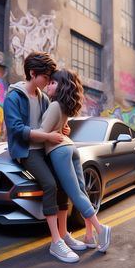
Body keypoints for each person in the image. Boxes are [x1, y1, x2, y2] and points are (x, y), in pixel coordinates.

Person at [3, 52, 87, 263]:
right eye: (46, 77)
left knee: (62, 184)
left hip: (44, 148)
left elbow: (49, 120)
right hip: (27, 151)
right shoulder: (14, 96)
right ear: (33, 73)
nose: (50, 81)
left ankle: (64, 233)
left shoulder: (43, 97)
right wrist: (48, 135)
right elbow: (16, 130)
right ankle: (56, 242)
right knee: (50, 184)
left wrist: (62, 128)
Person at [34, 68, 111, 253]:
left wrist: (30, 133)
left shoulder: (53, 106)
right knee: (82, 191)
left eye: (53, 83)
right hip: (71, 147)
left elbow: (43, 133)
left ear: (62, 87)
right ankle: (89, 236)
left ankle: (101, 229)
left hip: (59, 151)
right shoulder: (64, 106)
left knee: (75, 194)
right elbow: (62, 127)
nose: (49, 85)